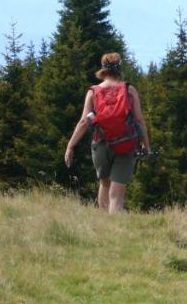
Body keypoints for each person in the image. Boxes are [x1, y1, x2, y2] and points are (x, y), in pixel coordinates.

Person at [63, 52, 150, 213]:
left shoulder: (93, 91)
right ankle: (116, 230)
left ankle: (103, 226)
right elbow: (139, 121)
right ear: (119, 69)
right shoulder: (129, 90)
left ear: (103, 69)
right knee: (116, 194)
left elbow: (84, 122)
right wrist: (146, 145)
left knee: (104, 184)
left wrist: (70, 146)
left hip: (101, 144)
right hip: (126, 143)